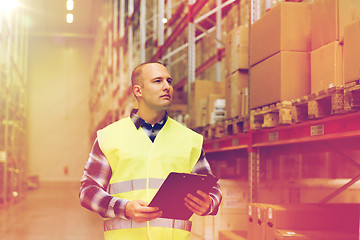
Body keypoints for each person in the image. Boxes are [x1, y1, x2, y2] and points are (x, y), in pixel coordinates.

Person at [79, 62, 222, 240]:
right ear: (138, 91)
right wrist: (124, 208)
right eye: (157, 81)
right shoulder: (109, 137)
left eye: (169, 81)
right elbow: (87, 191)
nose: (167, 87)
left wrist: (209, 203)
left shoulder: (189, 139)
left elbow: (213, 187)